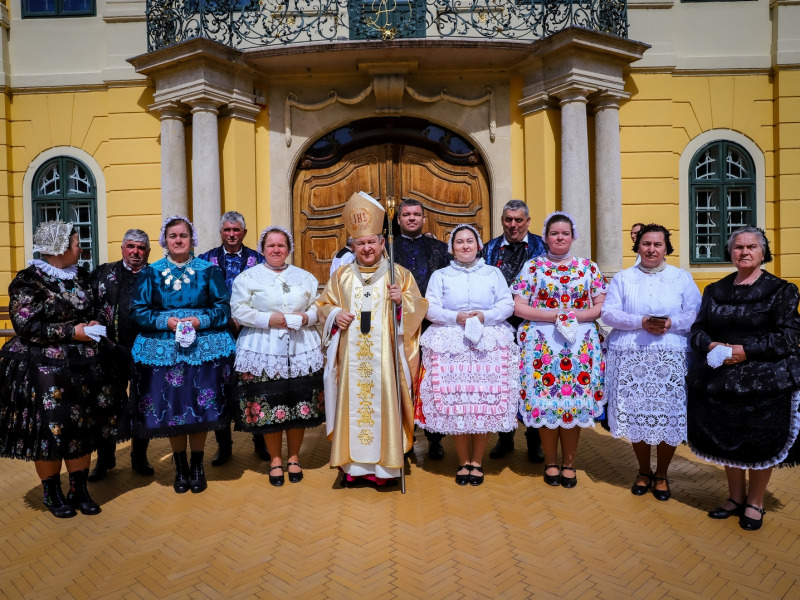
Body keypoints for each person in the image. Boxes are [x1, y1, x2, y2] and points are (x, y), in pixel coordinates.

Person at [688, 226, 800, 531]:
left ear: (763, 252)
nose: (745, 252)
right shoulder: (715, 290)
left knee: (759, 442)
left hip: (766, 381)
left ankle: (755, 502)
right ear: (730, 252)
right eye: (738, 247)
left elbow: (789, 337)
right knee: (728, 440)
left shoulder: (782, 290)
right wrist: (710, 345)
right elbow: (698, 331)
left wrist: (744, 350)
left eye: (752, 247)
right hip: (721, 379)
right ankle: (735, 498)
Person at [0, 221, 111, 517]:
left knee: (82, 426)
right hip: (44, 368)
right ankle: (52, 493)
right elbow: (26, 325)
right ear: (60, 248)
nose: (81, 247)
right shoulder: (29, 280)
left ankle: (79, 490)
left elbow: (101, 305)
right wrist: (71, 331)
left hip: (84, 366)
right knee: (51, 430)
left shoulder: (82, 276)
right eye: (76, 243)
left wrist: (93, 323)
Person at [317, 192, 427, 487]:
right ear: (352, 246)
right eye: (360, 243)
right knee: (353, 408)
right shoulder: (341, 276)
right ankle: (354, 469)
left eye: (371, 242)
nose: (366, 248)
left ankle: (386, 469)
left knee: (382, 405)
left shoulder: (398, 274)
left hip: (385, 360)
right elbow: (322, 306)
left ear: (381, 243)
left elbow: (418, 308)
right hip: (351, 361)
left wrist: (401, 301)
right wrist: (335, 314)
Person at [130, 216, 236, 494]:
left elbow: (224, 308)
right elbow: (138, 311)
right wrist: (166, 322)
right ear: (164, 240)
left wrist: (201, 321)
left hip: (203, 350)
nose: (178, 240)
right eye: (173, 236)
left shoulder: (209, 271)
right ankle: (180, 468)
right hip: (164, 352)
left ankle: (198, 466)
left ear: (192, 239)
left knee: (199, 409)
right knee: (175, 411)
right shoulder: (150, 273)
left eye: (183, 236)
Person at [601, 224, 701, 501]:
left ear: (666, 247)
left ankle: (662, 474)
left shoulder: (681, 278)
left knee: (668, 415)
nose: (652, 249)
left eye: (658, 244)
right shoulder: (623, 278)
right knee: (637, 414)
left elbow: (696, 313)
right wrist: (640, 322)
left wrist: (671, 323)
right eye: (646, 244)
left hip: (671, 358)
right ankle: (644, 471)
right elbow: (608, 313)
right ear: (638, 247)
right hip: (633, 357)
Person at [416, 224, 519, 486]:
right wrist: (455, 317)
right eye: (459, 242)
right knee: (458, 405)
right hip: (452, 343)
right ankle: (463, 462)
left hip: (489, 342)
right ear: (451, 248)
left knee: (482, 404)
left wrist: (486, 316)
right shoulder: (441, 275)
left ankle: (477, 461)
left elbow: (507, 304)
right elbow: (430, 308)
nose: (465, 246)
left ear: (479, 245)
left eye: (469, 241)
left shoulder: (493, 273)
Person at [512, 211, 607, 488]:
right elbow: (518, 305)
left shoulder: (589, 267)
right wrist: (555, 315)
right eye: (554, 233)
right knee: (546, 404)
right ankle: (550, 462)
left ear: (573, 236)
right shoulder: (533, 267)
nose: (560, 237)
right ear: (545, 238)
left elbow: (601, 306)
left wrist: (573, 316)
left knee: (572, 405)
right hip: (542, 345)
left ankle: (569, 462)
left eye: (565, 233)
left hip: (580, 347)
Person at [230, 226, 324, 486]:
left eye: (281, 245)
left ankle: (294, 457)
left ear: (289, 248)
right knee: (269, 406)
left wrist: (308, 317)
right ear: (262, 249)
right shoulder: (248, 277)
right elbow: (238, 309)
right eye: (270, 245)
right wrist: (267, 318)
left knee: (299, 405)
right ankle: (275, 460)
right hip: (262, 348)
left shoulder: (304, 277)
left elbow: (319, 306)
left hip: (301, 346)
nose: (276, 250)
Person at [198, 211, 269, 466]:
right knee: (220, 389)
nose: (231, 234)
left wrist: (246, 317)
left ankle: (260, 441)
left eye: (236, 230)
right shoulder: (205, 261)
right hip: (217, 336)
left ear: (244, 233)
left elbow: (267, 297)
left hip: (252, 334)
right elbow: (200, 298)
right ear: (220, 232)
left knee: (255, 386)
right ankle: (224, 446)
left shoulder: (259, 261)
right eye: (227, 230)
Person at [483, 199, 547, 462]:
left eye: (518, 220)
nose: (513, 225)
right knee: (501, 383)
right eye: (508, 219)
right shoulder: (489, 249)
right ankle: (505, 437)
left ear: (528, 221)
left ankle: (535, 441)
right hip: (500, 328)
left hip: (534, 326)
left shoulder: (542, 247)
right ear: (502, 221)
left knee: (534, 382)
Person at [88, 229, 155, 481]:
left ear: (148, 251)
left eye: (140, 247)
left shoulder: (155, 274)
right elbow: (89, 304)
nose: (135, 252)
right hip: (109, 350)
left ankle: (139, 457)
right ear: (122, 248)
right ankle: (105, 459)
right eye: (130, 246)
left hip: (146, 350)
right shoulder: (104, 273)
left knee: (141, 403)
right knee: (106, 404)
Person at [392, 199, 451, 460]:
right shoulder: (388, 249)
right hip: (400, 325)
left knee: (432, 382)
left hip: (433, 324)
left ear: (424, 218)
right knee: (404, 381)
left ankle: (435, 438)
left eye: (416, 214)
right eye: (406, 214)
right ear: (398, 219)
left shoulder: (440, 249)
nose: (412, 218)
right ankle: (406, 438)